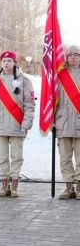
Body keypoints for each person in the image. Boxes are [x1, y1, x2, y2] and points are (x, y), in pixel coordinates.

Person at [0, 50, 35, 197]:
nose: (6, 63)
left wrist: (26, 124)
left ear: (14, 63)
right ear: (1, 63)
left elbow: (29, 105)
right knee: (2, 157)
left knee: (17, 157)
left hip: (17, 125)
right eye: (4, 61)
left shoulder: (25, 81)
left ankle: (14, 187)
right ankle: (4, 186)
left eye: (9, 61)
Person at [55, 45, 80, 199]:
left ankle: (79, 188)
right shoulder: (59, 75)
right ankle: (69, 187)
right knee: (65, 158)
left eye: (76, 55)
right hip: (63, 123)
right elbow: (51, 100)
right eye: (70, 55)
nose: (73, 57)